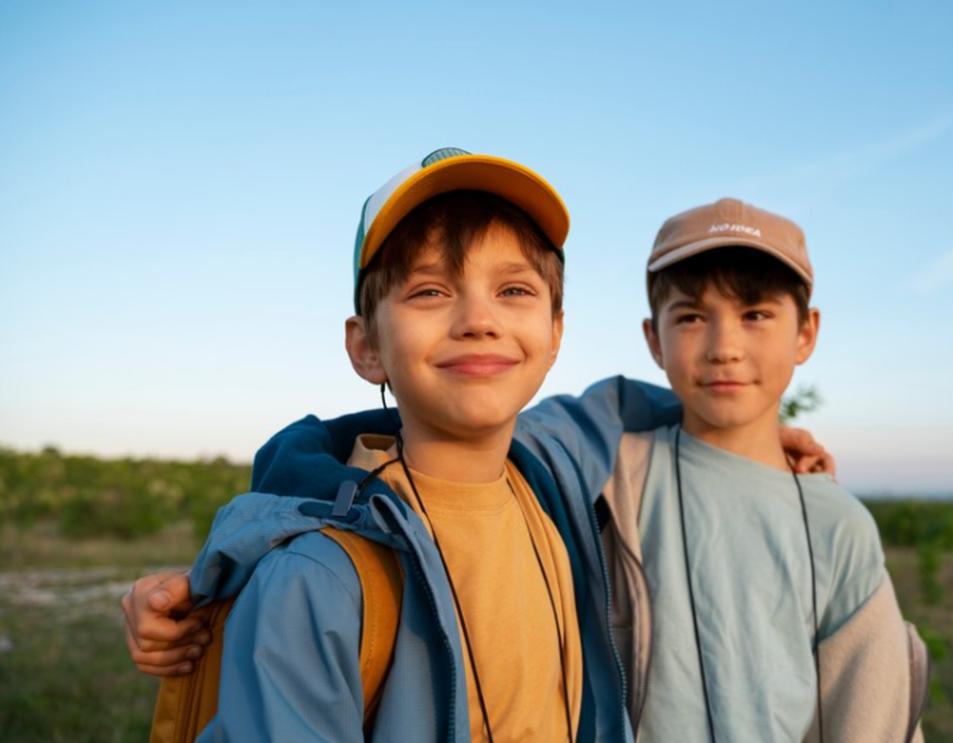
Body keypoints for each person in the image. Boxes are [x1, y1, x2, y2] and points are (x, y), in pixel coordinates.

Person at [126, 148, 834, 742]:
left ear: (557, 332)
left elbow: (617, 402)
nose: (479, 320)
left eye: (515, 290)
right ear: (366, 345)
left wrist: (750, 429)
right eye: (431, 291)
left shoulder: (550, 468)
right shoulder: (319, 579)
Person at [600, 198, 927, 741]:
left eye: (755, 315)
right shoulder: (611, 481)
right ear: (654, 339)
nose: (724, 347)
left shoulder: (836, 526)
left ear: (805, 333)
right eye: (691, 317)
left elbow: (872, 719)